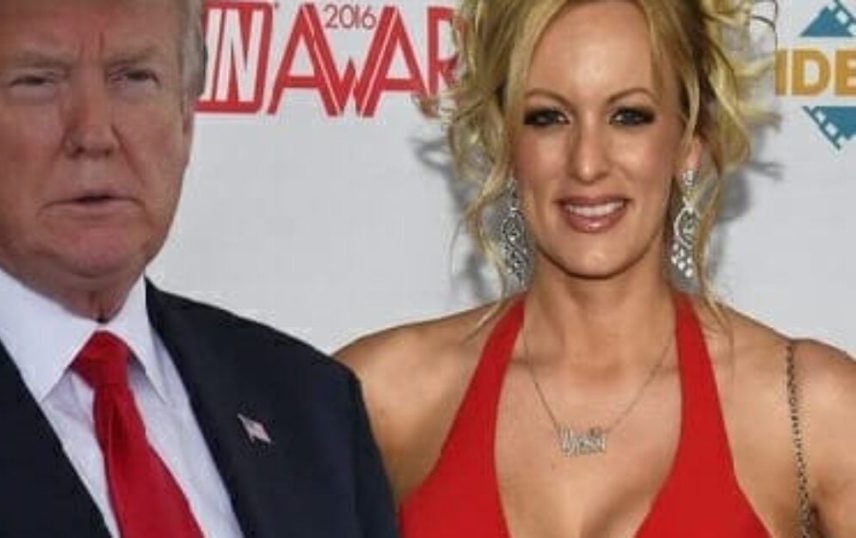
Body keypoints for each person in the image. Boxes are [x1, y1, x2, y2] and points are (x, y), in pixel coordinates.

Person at [0, 0, 398, 537]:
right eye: (39, 81)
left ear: (186, 117)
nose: (94, 134)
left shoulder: (312, 407)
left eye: (134, 78)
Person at [338, 0, 856, 536]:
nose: (587, 163)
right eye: (548, 117)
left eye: (628, 116)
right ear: (506, 141)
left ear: (689, 140)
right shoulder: (381, 397)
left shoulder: (810, 412)